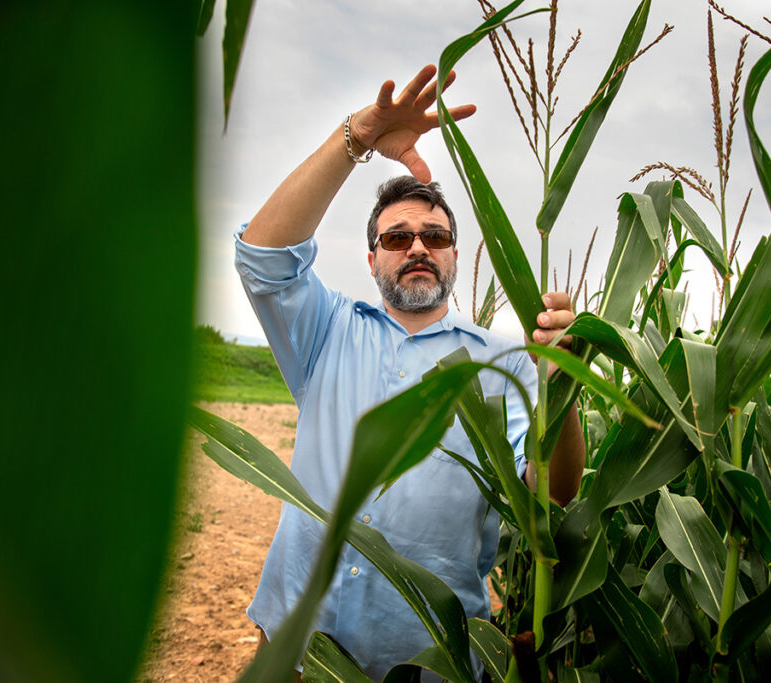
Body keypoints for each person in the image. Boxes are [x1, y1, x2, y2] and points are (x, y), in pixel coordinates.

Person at [234, 64, 585, 679]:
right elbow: (263, 257)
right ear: (372, 259)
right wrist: (357, 138)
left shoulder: (505, 364)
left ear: (454, 255)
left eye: (434, 236)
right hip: (299, 650)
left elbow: (553, 496)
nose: (417, 247)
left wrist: (565, 389)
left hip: (430, 659)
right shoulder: (328, 331)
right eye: (396, 239)